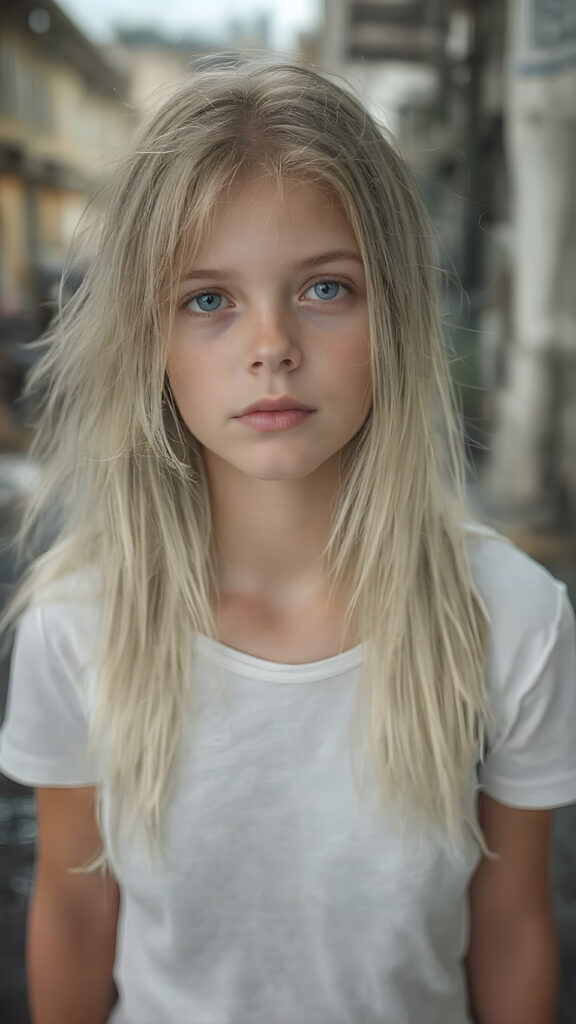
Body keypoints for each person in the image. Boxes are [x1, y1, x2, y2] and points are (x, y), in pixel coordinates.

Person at [0, 56, 575, 1024]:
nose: (271, 345)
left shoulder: (513, 615)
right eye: (209, 300)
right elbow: (72, 910)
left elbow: (512, 922)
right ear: (151, 340)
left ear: (394, 309)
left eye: (325, 289)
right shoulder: (78, 622)